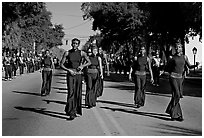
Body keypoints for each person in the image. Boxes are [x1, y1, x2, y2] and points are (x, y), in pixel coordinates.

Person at [165, 43, 199, 121]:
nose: (177, 49)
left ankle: (172, 110)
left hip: (180, 78)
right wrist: (163, 70)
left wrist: (195, 65)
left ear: (181, 49)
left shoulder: (184, 57)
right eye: (176, 47)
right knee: (176, 94)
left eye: (179, 47)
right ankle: (175, 114)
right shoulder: (172, 58)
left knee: (177, 95)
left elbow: (189, 66)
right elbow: (167, 68)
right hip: (173, 77)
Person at [60, 38, 91, 120]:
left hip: (78, 75)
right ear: (71, 44)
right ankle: (71, 112)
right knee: (71, 92)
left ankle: (75, 110)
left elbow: (89, 62)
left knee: (77, 93)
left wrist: (82, 66)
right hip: (70, 75)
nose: (74, 45)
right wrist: (68, 70)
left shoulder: (82, 53)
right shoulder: (67, 53)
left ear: (78, 45)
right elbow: (61, 64)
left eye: (76, 43)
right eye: (73, 43)